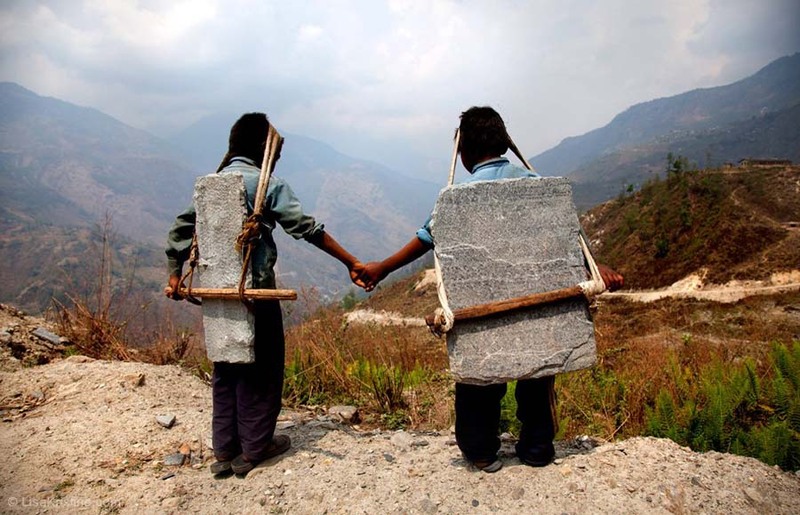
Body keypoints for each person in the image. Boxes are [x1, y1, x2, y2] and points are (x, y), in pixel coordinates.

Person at [357, 106, 624, 473]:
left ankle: (481, 452)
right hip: (535, 307)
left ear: (463, 152)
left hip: (480, 313)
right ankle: (537, 448)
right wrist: (595, 265)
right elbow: (566, 238)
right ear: (505, 143)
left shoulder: (453, 199)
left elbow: (425, 238)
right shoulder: (537, 186)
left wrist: (382, 268)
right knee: (537, 374)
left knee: (478, 384)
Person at [165, 112, 365, 477]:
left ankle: (225, 449)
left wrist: (174, 274)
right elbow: (305, 227)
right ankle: (256, 448)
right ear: (263, 148)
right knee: (262, 365)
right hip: (256, 291)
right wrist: (350, 261)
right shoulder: (265, 184)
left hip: (216, 293)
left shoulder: (209, 184)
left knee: (226, 366)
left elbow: (181, 228)